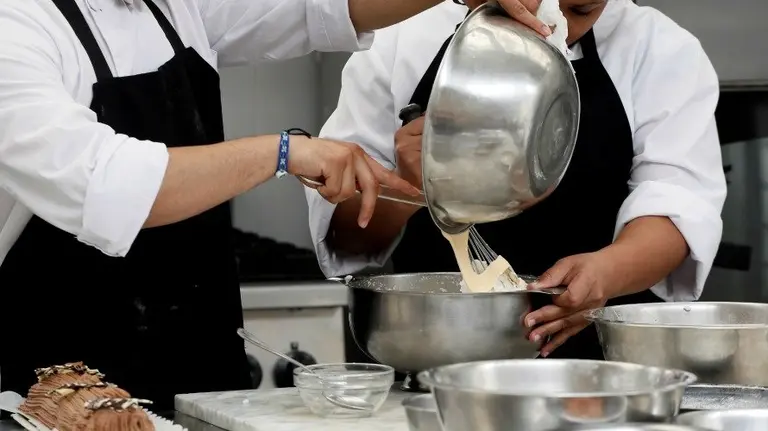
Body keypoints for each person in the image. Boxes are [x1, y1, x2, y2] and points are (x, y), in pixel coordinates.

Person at [0, 0, 527, 409]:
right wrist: (282, 152)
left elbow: (317, 8)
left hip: (202, 377)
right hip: (62, 390)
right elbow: (104, 186)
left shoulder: (174, 9)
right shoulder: (17, 28)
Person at [306, 0, 727, 361]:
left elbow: (679, 205)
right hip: (436, 358)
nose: (554, 21)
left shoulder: (658, 49)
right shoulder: (401, 34)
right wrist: (408, 184)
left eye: (582, 9)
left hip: (601, 370)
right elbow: (348, 238)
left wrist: (608, 272)